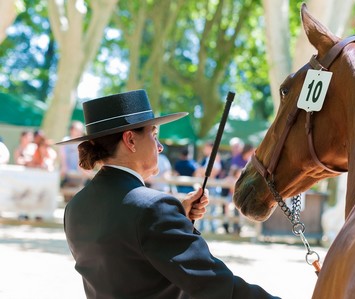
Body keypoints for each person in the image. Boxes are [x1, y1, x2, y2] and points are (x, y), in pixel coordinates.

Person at [57, 90, 279, 299]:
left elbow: (131, 257)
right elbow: (213, 284)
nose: (160, 146)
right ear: (130, 140)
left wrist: (176, 219)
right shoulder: (152, 209)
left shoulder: (75, 206)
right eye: (154, 135)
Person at [60, 121, 92, 202]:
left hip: (80, 172)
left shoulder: (83, 142)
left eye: (81, 130)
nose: (80, 132)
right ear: (72, 130)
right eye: (78, 130)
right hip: (69, 172)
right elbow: (63, 155)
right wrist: (64, 167)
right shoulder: (66, 140)